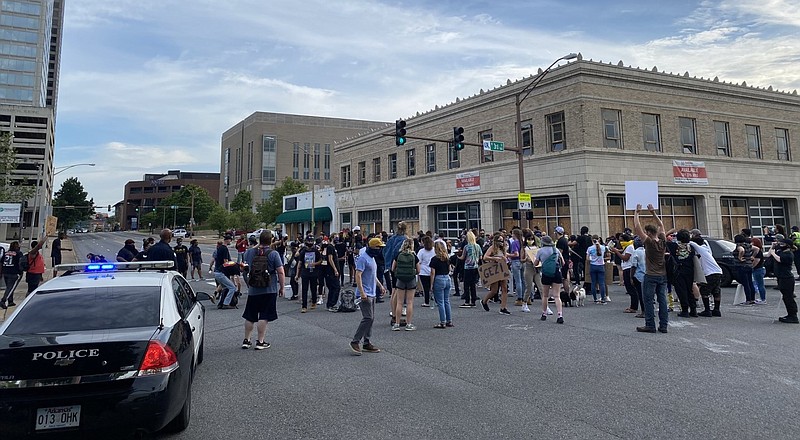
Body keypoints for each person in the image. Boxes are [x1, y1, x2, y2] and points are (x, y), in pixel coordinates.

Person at [241, 230, 285, 350]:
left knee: (250, 316)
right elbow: (280, 272)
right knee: (264, 316)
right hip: (269, 289)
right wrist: (281, 287)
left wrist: (257, 245)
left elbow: (245, 265)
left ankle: (246, 340)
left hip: (253, 289)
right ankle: (260, 341)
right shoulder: (273, 254)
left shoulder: (250, 252)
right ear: (271, 240)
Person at [634, 204, 669, 333]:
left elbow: (637, 228)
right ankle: (664, 325)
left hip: (650, 274)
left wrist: (637, 212)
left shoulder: (649, 242)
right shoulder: (662, 241)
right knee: (662, 300)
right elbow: (661, 225)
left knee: (648, 300)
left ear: (648, 232)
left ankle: (650, 324)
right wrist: (653, 213)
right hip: (663, 274)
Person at [350, 237, 387, 355]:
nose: (380, 249)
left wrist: (380, 285)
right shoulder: (363, 258)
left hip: (372, 292)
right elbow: (358, 275)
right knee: (368, 318)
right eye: (378, 247)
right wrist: (361, 292)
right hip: (365, 293)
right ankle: (355, 341)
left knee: (371, 319)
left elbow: (372, 275)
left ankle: (367, 342)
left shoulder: (372, 258)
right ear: (372, 247)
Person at [688, 233, 723, 317]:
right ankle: (716, 310)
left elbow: (691, 243)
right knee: (716, 291)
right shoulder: (706, 249)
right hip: (718, 271)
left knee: (704, 290)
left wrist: (688, 238)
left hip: (710, 273)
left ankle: (707, 310)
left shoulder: (699, 249)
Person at [533, 235, 565, 323]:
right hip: (556, 272)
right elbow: (563, 262)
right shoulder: (556, 250)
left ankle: (544, 313)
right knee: (557, 296)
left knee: (545, 295)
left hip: (546, 274)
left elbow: (535, 263)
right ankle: (560, 315)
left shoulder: (540, 251)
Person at [666, 229, 698, 317]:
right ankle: (693, 309)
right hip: (690, 270)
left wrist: (669, 232)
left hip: (679, 271)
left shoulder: (674, 246)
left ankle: (684, 310)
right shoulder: (691, 247)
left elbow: (663, 239)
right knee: (689, 290)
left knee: (681, 290)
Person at [480, 233, 511, 315]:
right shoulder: (492, 248)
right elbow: (485, 257)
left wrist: (504, 258)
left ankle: (503, 307)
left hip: (502, 268)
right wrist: (494, 258)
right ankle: (484, 301)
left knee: (504, 288)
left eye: (502, 240)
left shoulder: (503, 248)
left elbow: (504, 257)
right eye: (499, 241)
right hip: (494, 269)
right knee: (494, 290)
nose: (501, 242)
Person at [391, 238, 419, 331]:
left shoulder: (398, 255)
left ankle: (397, 324)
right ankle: (409, 324)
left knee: (399, 302)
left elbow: (392, 268)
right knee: (409, 302)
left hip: (400, 279)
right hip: (411, 279)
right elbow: (418, 270)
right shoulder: (414, 256)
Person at [768, 238, 798, 323]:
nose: (780, 245)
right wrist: (772, 247)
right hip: (781, 277)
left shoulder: (788, 254)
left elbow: (779, 259)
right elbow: (768, 254)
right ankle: (790, 314)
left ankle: (793, 316)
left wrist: (773, 253)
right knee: (786, 297)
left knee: (789, 298)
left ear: (788, 245)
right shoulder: (781, 251)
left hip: (787, 278)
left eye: (782, 243)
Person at [610, 233, 638, 313]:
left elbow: (625, 258)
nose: (620, 242)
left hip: (628, 268)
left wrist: (616, 252)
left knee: (631, 288)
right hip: (626, 267)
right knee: (629, 287)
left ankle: (634, 306)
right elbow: (623, 251)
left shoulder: (629, 247)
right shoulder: (627, 246)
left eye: (621, 240)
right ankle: (633, 306)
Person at [430, 241, 454, 328]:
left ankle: (442, 321)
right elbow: (449, 269)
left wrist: (431, 285)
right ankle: (449, 320)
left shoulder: (434, 259)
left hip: (439, 278)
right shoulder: (447, 258)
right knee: (446, 300)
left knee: (440, 302)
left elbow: (432, 273)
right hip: (447, 278)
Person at [296, 236, 321, 312]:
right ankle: (304, 306)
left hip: (314, 272)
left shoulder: (316, 251)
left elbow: (320, 260)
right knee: (304, 289)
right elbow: (300, 263)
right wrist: (297, 274)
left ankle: (314, 301)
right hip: (305, 272)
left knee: (313, 288)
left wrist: (314, 264)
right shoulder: (303, 251)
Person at [214, 235, 239, 309]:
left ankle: (221, 303)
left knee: (225, 288)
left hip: (218, 270)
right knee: (232, 287)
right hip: (222, 271)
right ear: (227, 240)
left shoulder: (220, 248)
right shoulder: (224, 249)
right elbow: (225, 261)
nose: (230, 242)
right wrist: (230, 268)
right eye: (230, 240)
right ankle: (226, 303)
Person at [732, 234, 758, 305]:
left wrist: (740, 257)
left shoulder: (739, 246)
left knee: (745, 283)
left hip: (742, 266)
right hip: (749, 265)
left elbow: (741, 250)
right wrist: (752, 256)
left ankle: (748, 299)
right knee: (750, 283)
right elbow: (757, 249)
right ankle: (752, 299)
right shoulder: (748, 245)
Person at [458, 230, 482, 308]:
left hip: (468, 267)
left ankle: (467, 301)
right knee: (473, 284)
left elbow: (463, 257)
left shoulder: (466, 247)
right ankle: (473, 300)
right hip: (475, 266)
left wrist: (458, 256)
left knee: (466, 284)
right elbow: (481, 256)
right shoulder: (477, 246)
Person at [321, 236, 341, 312]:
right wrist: (335, 269)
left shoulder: (333, 247)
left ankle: (330, 304)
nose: (337, 239)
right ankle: (331, 304)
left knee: (333, 288)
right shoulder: (330, 247)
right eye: (335, 237)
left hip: (332, 271)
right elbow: (330, 259)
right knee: (336, 287)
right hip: (331, 271)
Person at [586, 235, 607, 304]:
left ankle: (595, 298)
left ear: (592, 240)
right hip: (601, 265)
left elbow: (587, 259)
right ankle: (603, 298)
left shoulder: (590, 248)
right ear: (599, 239)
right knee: (602, 283)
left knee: (593, 283)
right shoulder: (603, 247)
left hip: (593, 265)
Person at [1, 241, 22, 308]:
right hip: (14, 272)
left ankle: (10, 301)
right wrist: (21, 271)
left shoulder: (6, 253)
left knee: (8, 287)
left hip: (5, 271)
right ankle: (3, 300)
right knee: (11, 288)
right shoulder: (18, 253)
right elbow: (20, 263)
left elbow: (1, 262)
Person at [416, 236, 435, 307]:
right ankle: (435, 299)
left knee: (425, 288)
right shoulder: (434, 250)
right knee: (433, 286)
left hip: (423, 271)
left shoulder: (422, 251)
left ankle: (426, 302)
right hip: (433, 270)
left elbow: (418, 261)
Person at [509, 228, 525, 307]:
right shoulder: (522, 242)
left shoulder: (514, 243)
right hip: (522, 262)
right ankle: (526, 297)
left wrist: (508, 254)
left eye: (512, 233)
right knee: (523, 280)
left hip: (515, 261)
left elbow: (516, 254)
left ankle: (519, 298)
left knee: (518, 281)